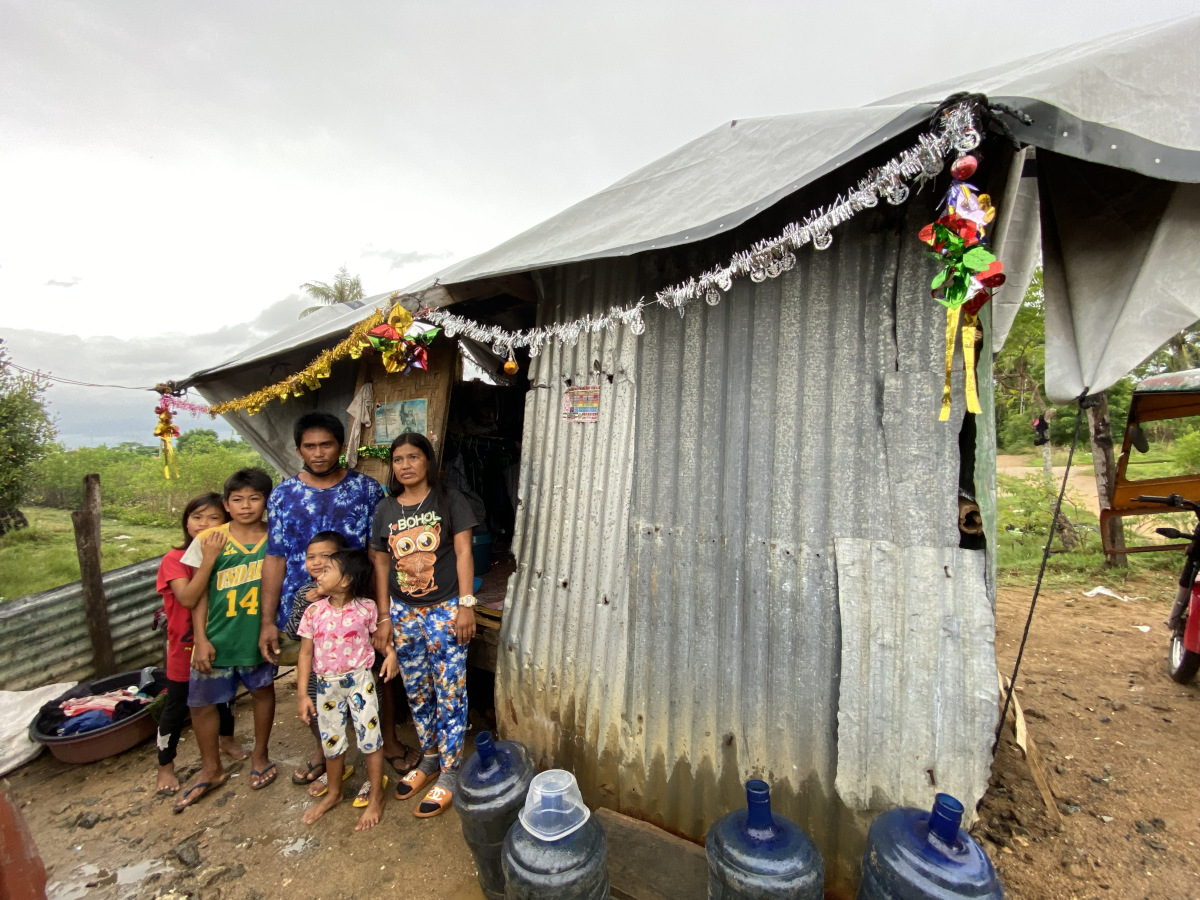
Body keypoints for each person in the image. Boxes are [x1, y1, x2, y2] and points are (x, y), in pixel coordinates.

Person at [258, 412, 421, 785]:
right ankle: (325, 749)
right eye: (310, 446)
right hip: (309, 608)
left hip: (360, 604)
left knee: (378, 675)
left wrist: (383, 613)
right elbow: (275, 558)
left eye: (326, 445)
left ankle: (390, 741)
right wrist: (268, 620)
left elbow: (380, 553)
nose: (318, 453)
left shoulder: (365, 490)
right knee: (317, 679)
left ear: (340, 445)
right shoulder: (284, 496)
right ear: (298, 449)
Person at [372, 432, 478, 818]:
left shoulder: (450, 501)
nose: (405, 465)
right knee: (417, 689)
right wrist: (384, 617)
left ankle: (450, 772)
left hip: (445, 607)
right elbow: (381, 565)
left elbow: (465, 552)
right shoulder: (385, 509)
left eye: (413, 457)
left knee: (450, 689)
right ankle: (429, 757)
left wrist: (466, 606)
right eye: (398, 459)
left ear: (428, 461)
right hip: (402, 612)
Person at [173, 467, 277, 812]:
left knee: (263, 692)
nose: (246, 505)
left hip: (256, 635)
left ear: (266, 501)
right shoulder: (210, 539)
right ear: (227, 504)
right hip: (217, 637)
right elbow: (193, 598)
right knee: (201, 704)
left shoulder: (276, 536)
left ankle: (260, 755)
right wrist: (200, 638)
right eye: (237, 499)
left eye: (254, 498)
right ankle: (211, 768)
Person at [153, 493, 249, 795]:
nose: (204, 525)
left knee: (224, 697)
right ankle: (165, 766)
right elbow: (188, 598)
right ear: (186, 521)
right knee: (177, 705)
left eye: (213, 519)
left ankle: (227, 740)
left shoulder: (230, 552)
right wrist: (207, 559)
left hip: (221, 638)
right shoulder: (174, 560)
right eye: (197, 517)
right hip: (184, 648)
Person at [297, 549, 399, 830]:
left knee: (370, 738)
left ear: (345, 581)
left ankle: (376, 795)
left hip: (360, 681)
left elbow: (379, 640)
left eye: (327, 569)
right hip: (326, 686)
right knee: (332, 740)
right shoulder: (313, 611)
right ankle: (333, 792)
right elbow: (305, 654)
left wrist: (390, 654)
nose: (318, 573)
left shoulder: (366, 608)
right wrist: (303, 694)